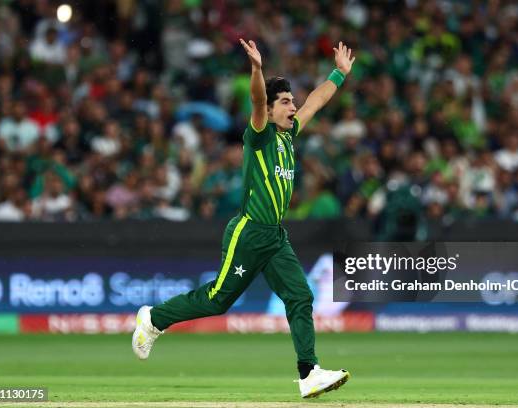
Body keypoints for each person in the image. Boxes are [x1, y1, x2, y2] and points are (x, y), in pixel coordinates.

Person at [132, 38, 355, 399]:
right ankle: (153, 319)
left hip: (275, 238)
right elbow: (256, 100)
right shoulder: (261, 135)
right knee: (218, 300)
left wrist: (339, 74)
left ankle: (309, 372)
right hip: (249, 232)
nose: (294, 107)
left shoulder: (289, 136)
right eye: (285, 102)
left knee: (300, 296)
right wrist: (256, 70)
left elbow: (316, 100)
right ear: (270, 109)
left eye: (292, 102)